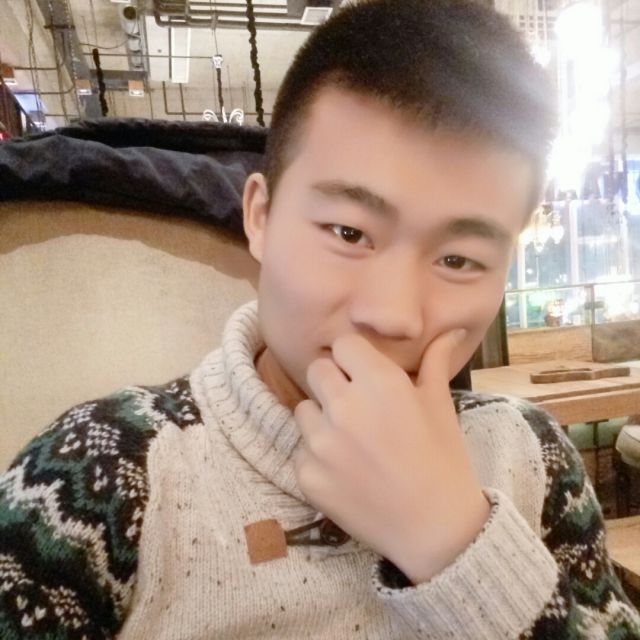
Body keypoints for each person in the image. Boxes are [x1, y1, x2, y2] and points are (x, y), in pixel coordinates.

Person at [1, 0, 639, 638]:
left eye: (458, 259)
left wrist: (456, 545)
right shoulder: (100, 471)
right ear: (260, 217)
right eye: (349, 232)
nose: (391, 315)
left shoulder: (532, 454)